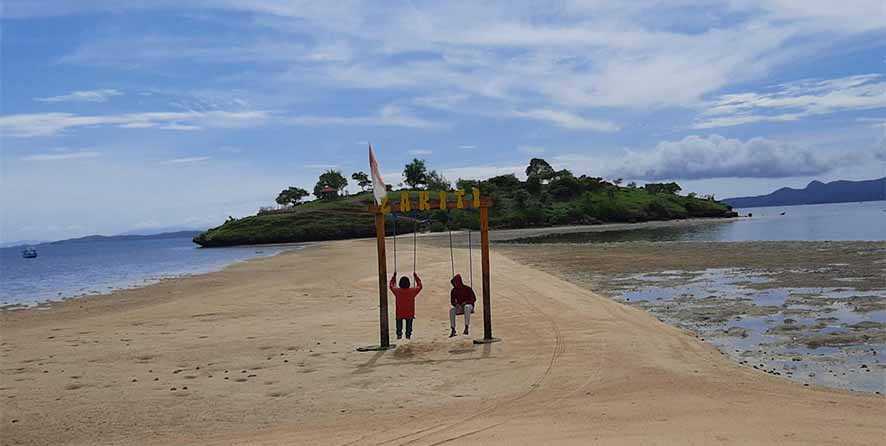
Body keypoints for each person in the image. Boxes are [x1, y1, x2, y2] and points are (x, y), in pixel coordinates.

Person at [389, 272, 422, 340]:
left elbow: (391, 285)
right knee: (409, 327)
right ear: (409, 284)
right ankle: (408, 336)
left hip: (399, 313)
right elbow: (420, 286)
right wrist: (416, 277)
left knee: (399, 327)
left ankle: (399, 336)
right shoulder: (412, 291)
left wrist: (394, 277)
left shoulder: (397, 291)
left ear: (400, 284)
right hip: (409, 313)